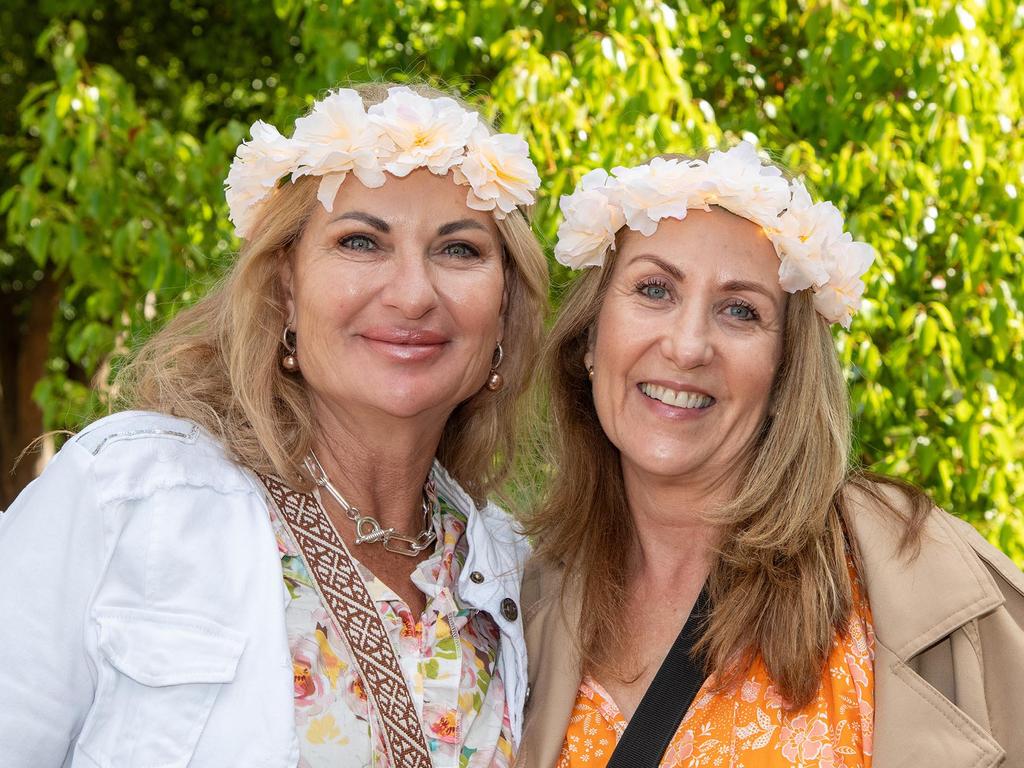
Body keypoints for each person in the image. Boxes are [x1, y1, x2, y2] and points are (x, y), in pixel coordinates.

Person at [0, 82, 549, 768]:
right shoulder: (134, 498)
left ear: (503, 307)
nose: (412, 293)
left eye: (460, 250)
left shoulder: (516, 575)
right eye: (360, 242)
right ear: (286, 290)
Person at [516, 144, 1024, 768]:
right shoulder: (515, 605)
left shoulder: (906, 572)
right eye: (654, 289)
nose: (687, 345)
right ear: (592, 337)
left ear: (786, 370)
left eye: (740, 310)